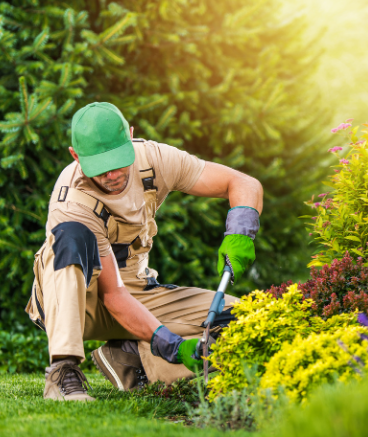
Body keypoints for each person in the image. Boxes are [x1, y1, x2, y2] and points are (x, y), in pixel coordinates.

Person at [25, 102, 262, 401]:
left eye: (118, 160)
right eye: (100, 166)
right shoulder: (72, 201)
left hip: (136, 291)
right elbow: (112, 296)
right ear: (75, 156)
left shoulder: (155, 159)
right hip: (78, 302)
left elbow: (241, 182)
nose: (112, 174)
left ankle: (131, 358)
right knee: (70, 238)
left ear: (131, 136)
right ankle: (63, 371)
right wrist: (171, 343)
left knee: (244, 319)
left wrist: (240, 233)